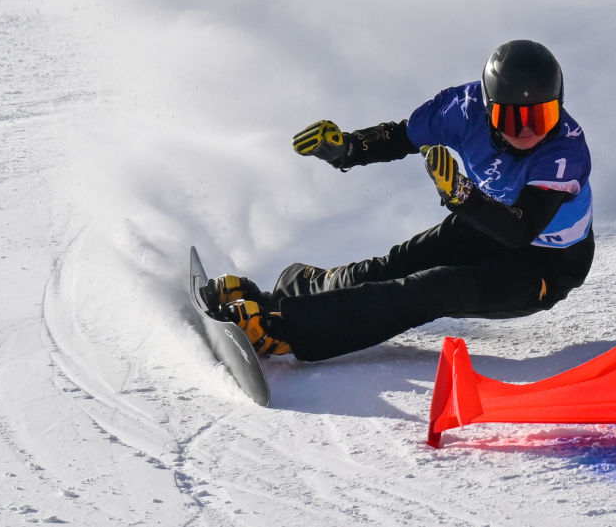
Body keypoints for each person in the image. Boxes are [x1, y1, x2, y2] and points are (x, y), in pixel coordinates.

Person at [200, 40, 594, 361]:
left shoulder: (564, 152)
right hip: (484, 218)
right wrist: (348, 148)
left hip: (546, 263)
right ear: (488, 108)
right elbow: (403, 136)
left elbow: (521, 229)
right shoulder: (463, 109)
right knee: (394, 265)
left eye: (541, 117)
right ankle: (277, 298)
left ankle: (281, 331)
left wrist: (462, 197)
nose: (527, 133)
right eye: (511, 119)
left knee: (433, 289)